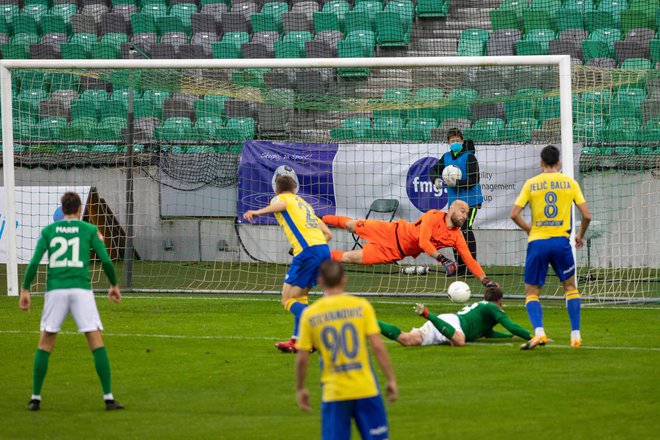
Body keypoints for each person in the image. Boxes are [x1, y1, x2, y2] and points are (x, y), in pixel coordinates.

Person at [19, 191, 124, 411]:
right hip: (81, 289)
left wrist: (25, 289)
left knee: (46, 341)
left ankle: (35, 398)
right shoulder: (89, 229)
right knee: (95, 339)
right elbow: (105, 260)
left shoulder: (49, 231)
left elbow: (34, 263)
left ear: (62, 208)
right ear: (79, 210)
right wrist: (114, 285)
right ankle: (108, 397)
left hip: (55, 290)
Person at [296, 261, 397, 440]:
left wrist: (301, 388)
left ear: (320, 281)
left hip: (334, 392)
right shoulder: (361, 306)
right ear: (344, 279)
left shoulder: (310, 314)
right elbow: (377, 346)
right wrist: (390, 378)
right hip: (366, 388)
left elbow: (303, 358)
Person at [510, 145, 592, 350]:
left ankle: (539, 333)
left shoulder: (532, 183)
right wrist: (579, 235)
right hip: (560, 243)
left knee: (532, 291)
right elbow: (587, 215)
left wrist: (529, 229)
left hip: (538, 242)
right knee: (570, 288)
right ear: (559, 162)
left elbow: (514, 214)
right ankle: (575, 336)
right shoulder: (570, 183)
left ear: (541, 163)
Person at [243, 175, 333, 353]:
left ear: (277, 191)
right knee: (300, 298)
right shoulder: (304, 205)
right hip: (322, 249)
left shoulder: (281, 199)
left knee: (287, 299)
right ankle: (299, 341)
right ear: (294, 189)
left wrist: (257, 212)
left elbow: (281, 205)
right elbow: (328, 233)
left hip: (307, 252)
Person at [322, 200, 499, 289]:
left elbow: (469, 259)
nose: (464, 216)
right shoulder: (433, 215)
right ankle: (319, 219)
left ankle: (317, 255)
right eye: (462, 211)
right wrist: (443, 259)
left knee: (349, 257)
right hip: (391, 231)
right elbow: (423, 242)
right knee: (352, 225)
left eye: (467, 214)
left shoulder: (457, 236)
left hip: (394, 253)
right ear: (451, 209)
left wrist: (485, 280)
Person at [378, 287, 532, 347]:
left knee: (407, 340)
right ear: (501, 302)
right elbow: (512, 325)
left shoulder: (483, 311)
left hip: (446, 322)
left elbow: (488, 333)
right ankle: (428, 314)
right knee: (459, 341)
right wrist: (532, 337)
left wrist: (510, 337)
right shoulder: (492, 307)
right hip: (452, 323)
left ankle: (370, 321)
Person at [430, 128, 483, 276]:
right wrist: (436, 179)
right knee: (453, 232)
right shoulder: (446, 157)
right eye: (452, 141)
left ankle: (472, 267)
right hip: (454, 203)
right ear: (448, 142)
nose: (455, 143)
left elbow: (474, 180)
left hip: (470, 201)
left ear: (462, 141)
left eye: (458, 141)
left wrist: (455, 183)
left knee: (465, 230)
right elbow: (433, 170)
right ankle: (460, 267)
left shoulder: (469, 157)